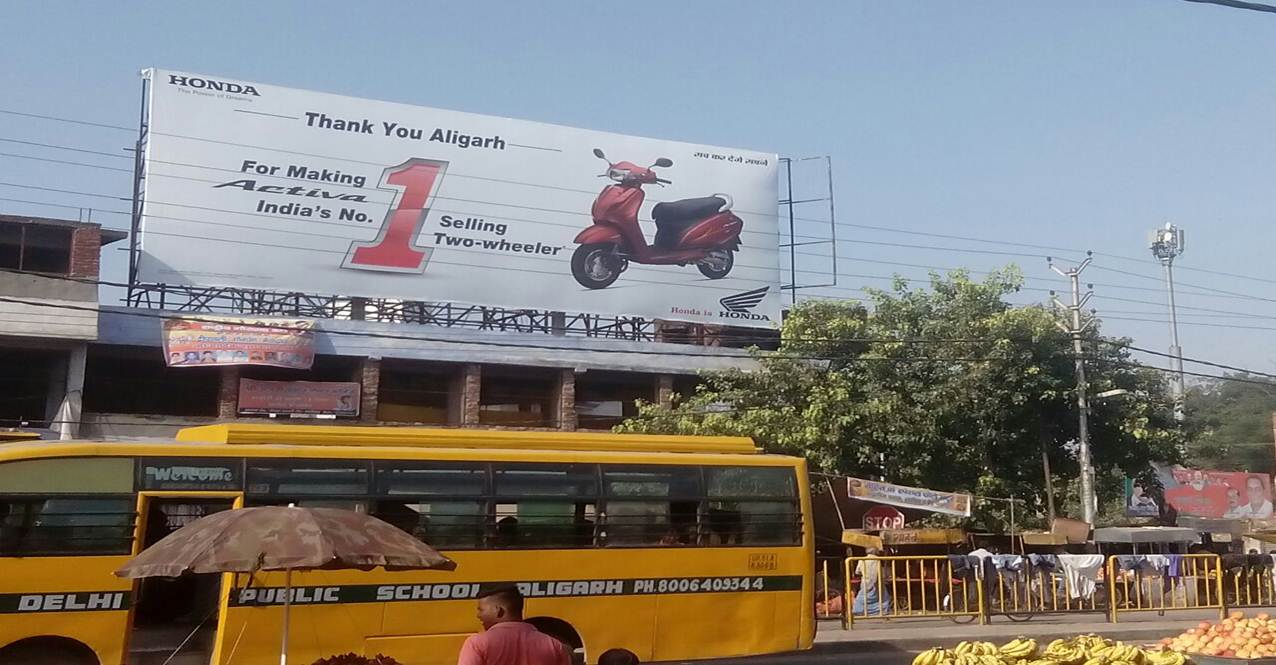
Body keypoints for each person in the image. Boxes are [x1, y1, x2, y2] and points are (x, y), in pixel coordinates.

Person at [457, 585, 570, 665]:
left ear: (498, 610)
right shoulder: (555, 646)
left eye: (481, 610)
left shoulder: (477, 643)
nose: (478, 615)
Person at [851, 547, 893, 616]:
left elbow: (857, 572)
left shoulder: (861, 560)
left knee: (862, 597)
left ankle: (858, 610)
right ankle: (881, 611)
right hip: (876, 582)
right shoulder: (877, 560)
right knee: (883, 598)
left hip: (865, 582)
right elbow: (879, 572)